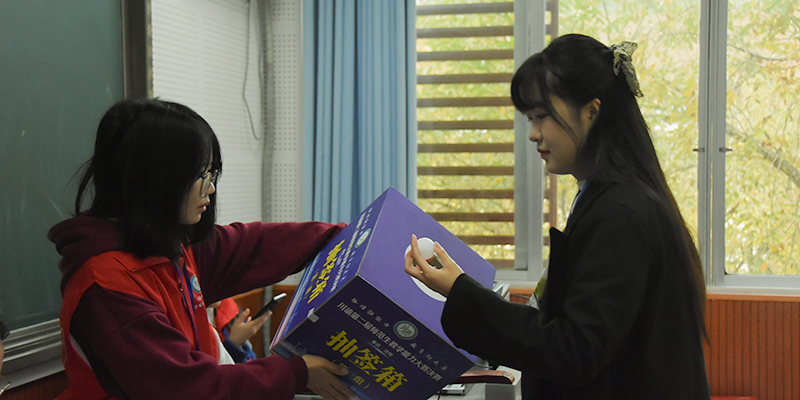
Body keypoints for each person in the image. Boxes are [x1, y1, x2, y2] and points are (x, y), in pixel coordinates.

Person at [405, 34, 710, 399]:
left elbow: (575, 350)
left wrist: (460, 292)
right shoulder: (607, 197)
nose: (533, 134)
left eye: (542, 116)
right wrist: (463, 290)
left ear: (591, 111)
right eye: (530, 118)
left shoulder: (620, 214)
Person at [48, 98, 355, 400]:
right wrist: (296, 373)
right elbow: (188, 388)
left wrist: (350, 238)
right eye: (200, 175)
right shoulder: (106, 287)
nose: (210, 188)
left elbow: (257, 245)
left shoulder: (167, 247)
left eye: (211, 174)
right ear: (156, 178)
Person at [207, 298, 265, 364]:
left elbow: (250, 360)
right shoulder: (199, 323)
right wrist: (234, 343)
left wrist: (240, 342)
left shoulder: (228, 306)